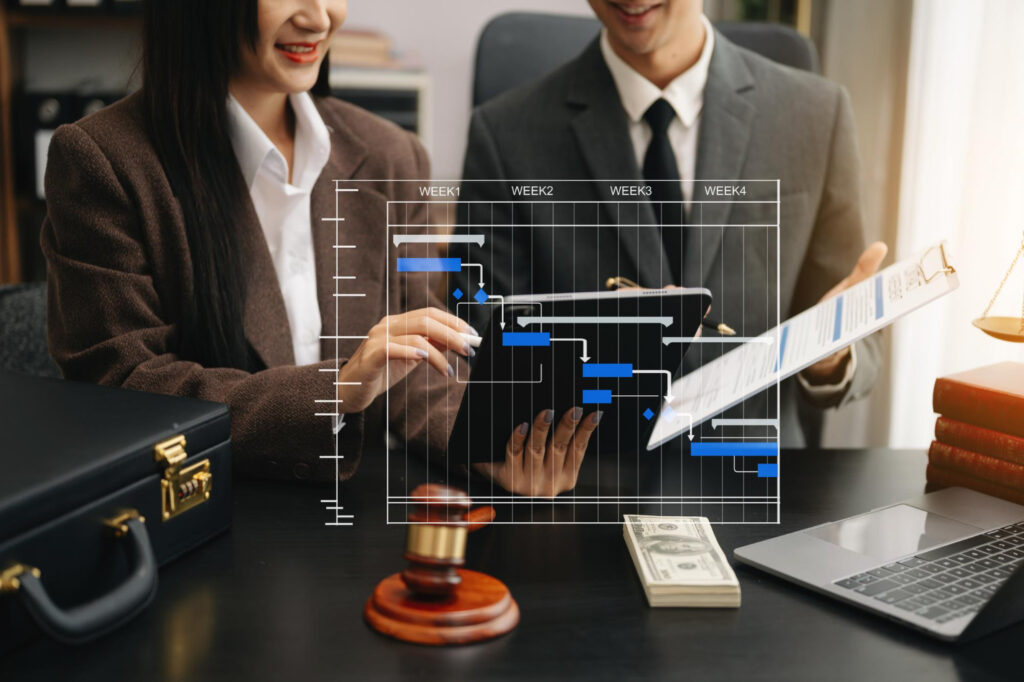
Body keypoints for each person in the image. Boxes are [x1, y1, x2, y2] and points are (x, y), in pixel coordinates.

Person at [41, 0, 598, 495]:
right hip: (217, 516)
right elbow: (125, 387)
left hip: (358, 520)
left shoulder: (392, 156)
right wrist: (338, 390)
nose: (319, 16)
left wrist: (492, 448)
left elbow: (418, 372)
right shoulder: (104, 161)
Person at [453, 0, 886, 447]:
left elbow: (862, 339)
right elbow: (478, 340)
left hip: (756, 472)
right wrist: (596, 344)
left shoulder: (816, 115)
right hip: (585, 479)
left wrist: (829, 353)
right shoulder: (505, 134)